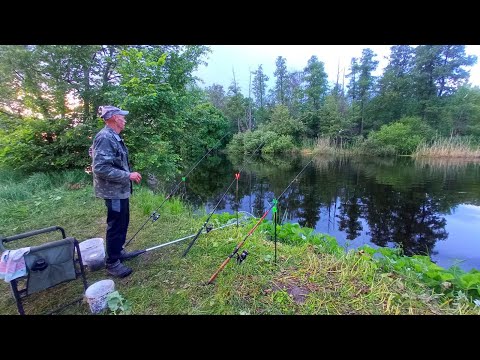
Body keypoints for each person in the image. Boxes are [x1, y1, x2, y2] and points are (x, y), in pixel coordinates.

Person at [91, 105, 142, 278]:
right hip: (112, 191)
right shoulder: (105, 137)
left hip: (119, 190)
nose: (125, 119)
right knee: (116, 225)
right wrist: (128, 175)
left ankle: (118, 252)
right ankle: (112, 263)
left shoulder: (113, 136)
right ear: (113, 118)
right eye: (122, 116)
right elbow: (100, 168)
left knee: (122, 222)